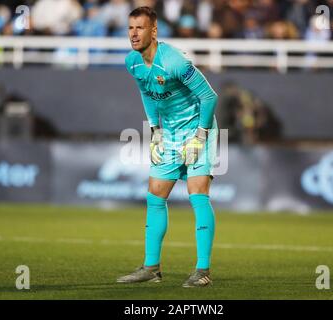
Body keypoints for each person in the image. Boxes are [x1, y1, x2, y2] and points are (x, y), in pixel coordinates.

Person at [117, 6, 218, 288]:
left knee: (197, 192)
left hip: (200, 127)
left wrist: (200, 136)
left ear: (154, 31)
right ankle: (151, 267)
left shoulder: (174, 61)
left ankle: (203, 270)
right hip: (170, 132)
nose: (134, 34)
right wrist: (155, 130)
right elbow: (146, 92)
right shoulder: (132, 62)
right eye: (130, 28)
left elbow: (209, 97)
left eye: (140, 28)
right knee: (155, 193)